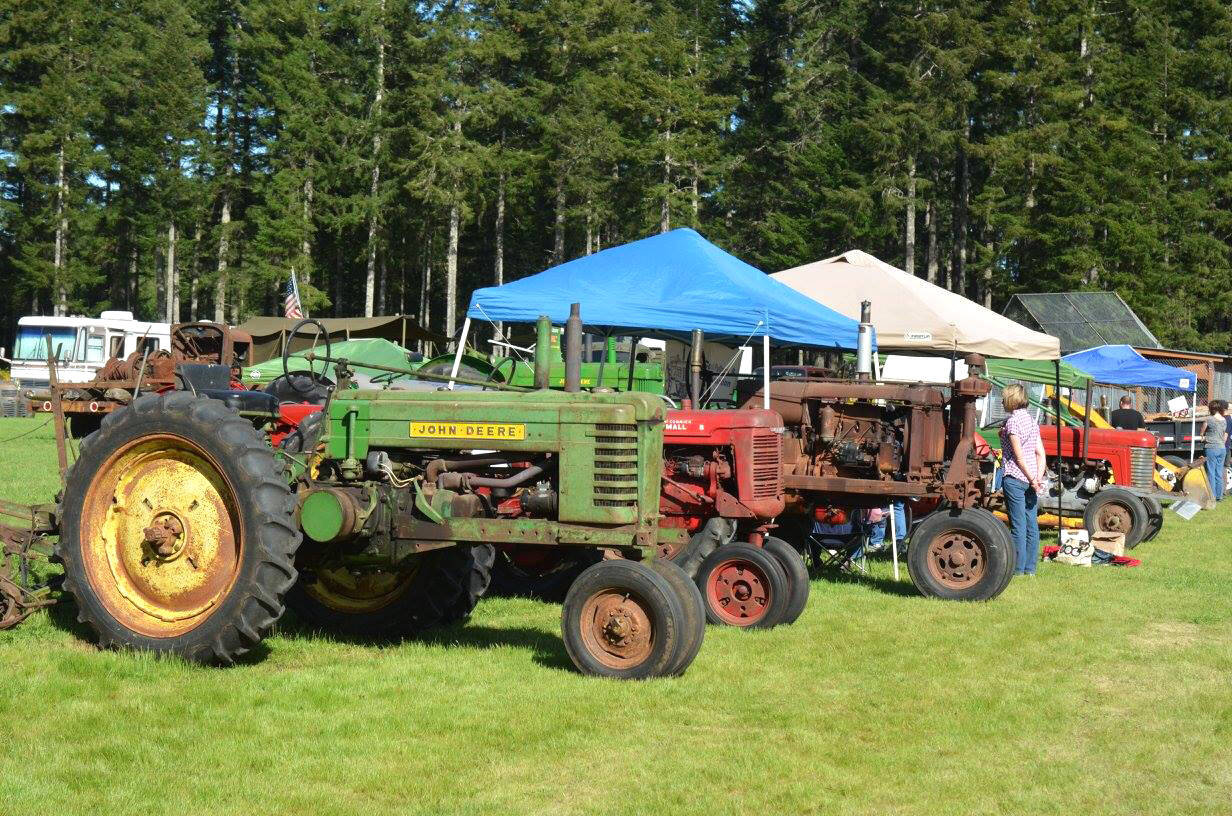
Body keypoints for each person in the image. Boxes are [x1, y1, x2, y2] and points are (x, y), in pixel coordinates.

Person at [999, 384, 1046, 576]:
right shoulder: (1032, 421)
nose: (1002, 401)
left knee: (1018, 526)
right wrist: (1037, 479)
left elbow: (1018, 458)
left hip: (1015, 478)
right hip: (1031, 480)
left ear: (1011, 400)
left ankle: (1017, 569)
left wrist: (1032, 480)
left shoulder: (1013, 422)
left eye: (1003, 398)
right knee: (1031, 526)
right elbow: (1040, 453)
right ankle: (1030, 569)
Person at [1203, 400, 1227, 502]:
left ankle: (1211, 496)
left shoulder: (1209, 419)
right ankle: (1219, 496)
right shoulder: (1224, 420)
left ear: (1211, 409)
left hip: (1212, 447)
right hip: (1222, 448)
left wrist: (1203, 436)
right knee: (1219, 472)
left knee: (1211, 472)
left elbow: (1202, 432)